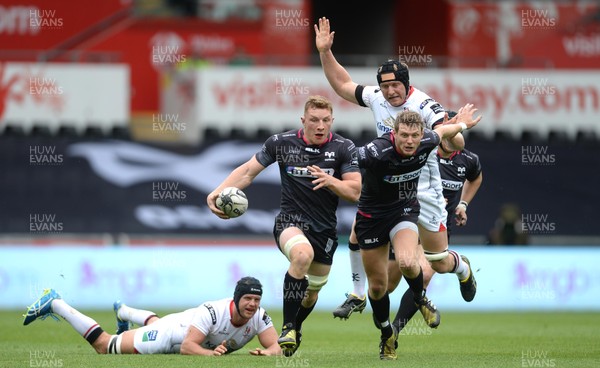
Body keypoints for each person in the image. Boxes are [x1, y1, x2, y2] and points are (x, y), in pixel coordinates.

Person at [314, 17, 477, 321]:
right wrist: (325, 52)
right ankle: (357, 294)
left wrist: (458, 128)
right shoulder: (376, 97)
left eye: (394, 85)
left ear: (407, 83)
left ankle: (463, 268)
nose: (389, 91)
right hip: (386, 182)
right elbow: (342, 85)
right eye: (385, 85)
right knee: (356, 234)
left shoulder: (425, 105)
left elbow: (455, 144)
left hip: (424, 186)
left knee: (438, 260)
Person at [206, 95, 361, 357]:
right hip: (290, 222)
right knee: (302, 255)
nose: (320, 125)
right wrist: (218, 192)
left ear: (332, 121)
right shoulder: (281, 143)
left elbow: (355, 191)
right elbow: (247, 172)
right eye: (314, 120)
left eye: (325, 120)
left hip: (325, 231)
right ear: (303, 120)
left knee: (311, 294)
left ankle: (296, 328)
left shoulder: (344, 148)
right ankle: (287, 327)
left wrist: (330, 181)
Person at [356, 107, 481, 360]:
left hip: (421, 213)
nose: (411, 140)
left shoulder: (459, 156)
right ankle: (387, 330)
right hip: (387, 214)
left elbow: (471, 170)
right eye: (405, 135)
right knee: (383, 286)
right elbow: (349, 161)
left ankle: (399, 327)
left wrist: (463, 204)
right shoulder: (392, 150)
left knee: (420, 267)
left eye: (415, 135)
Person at [390, 110, 484, 333]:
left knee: (424, 275)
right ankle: (458, 266)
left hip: (435, 225)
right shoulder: (421, 153)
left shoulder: (468, 160)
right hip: (406, 221)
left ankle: (393, 332)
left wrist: (463, 204)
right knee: (386, 284)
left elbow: (476, 177)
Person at [23, 277, 281, 356]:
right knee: (105, 346)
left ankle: (124, 311)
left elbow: (276, 346)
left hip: (181, 325)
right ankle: (56, 303)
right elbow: (188, 347)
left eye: (256, 300)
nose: (252, 304)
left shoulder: (259, 316)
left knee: (156, 323)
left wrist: (267, 353)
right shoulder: (213, 311)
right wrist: (210, 355)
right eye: (247, 299)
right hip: (170, 336)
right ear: (235, 299)